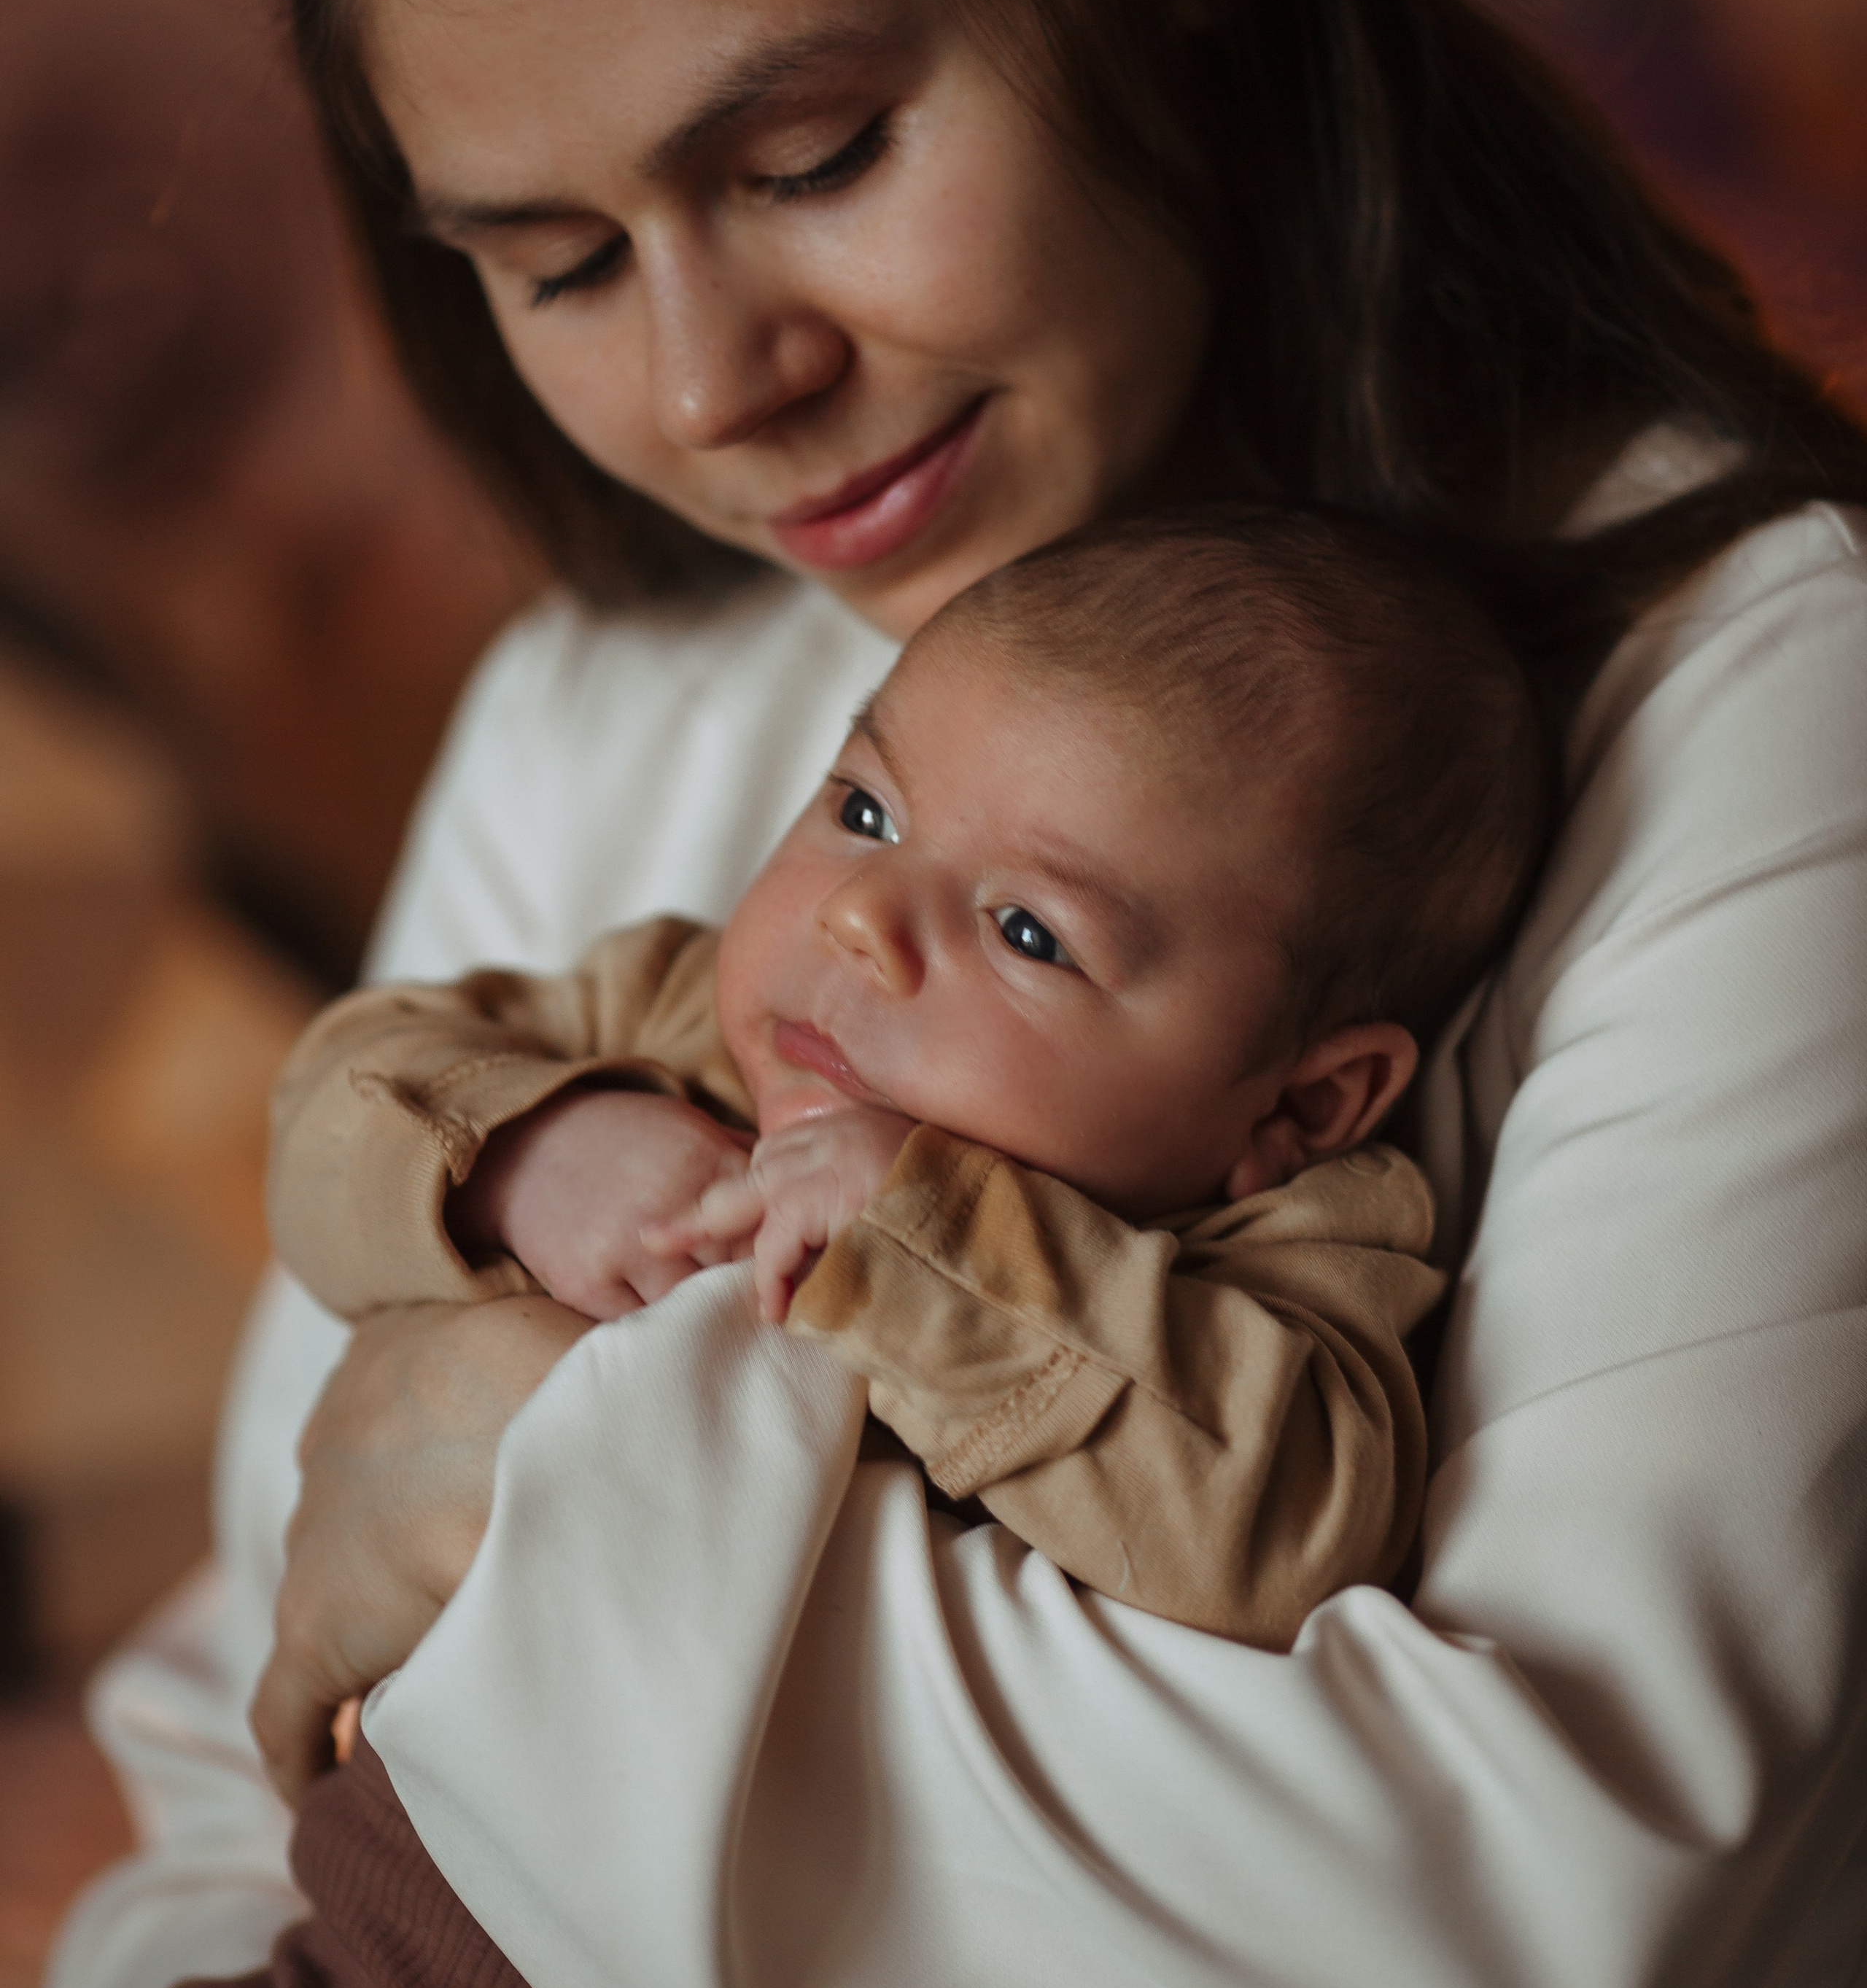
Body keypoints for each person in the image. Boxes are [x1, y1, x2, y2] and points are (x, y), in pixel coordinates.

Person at [42, 0, 1867, 1988]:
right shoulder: (618, 692)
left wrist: (509, 1446)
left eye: (812, 152)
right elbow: (215, 1794)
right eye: (547, 259)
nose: (717, 385)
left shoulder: (1766, 686)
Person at [252, 510, 1546, 1720]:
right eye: (866, 812)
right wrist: (528, 1147)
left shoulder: (1279, 1262)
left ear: (1304, 1102)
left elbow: (1282, 1542)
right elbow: (332, 1097)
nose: (859, 917)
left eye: (1028, 931)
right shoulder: (671, 1014)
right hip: (426, 1793)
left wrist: (924, 1243)